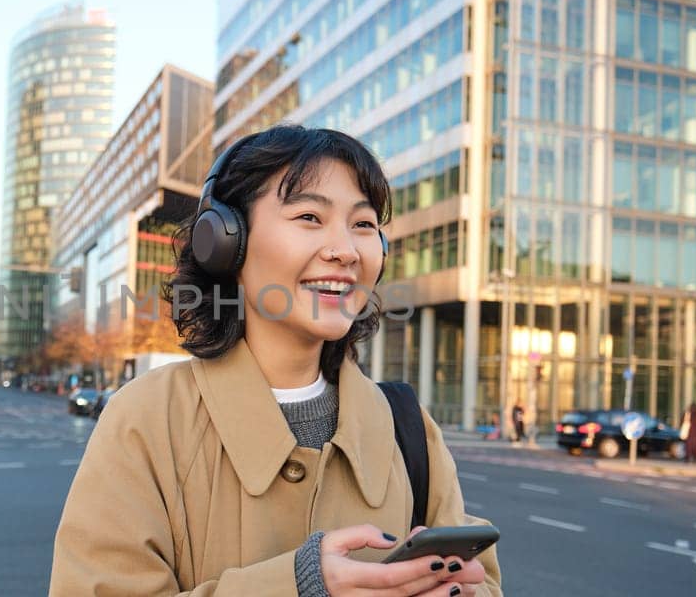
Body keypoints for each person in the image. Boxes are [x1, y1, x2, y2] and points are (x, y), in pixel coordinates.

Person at [50, 126, 501, 596]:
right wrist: (299, 587)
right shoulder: (146, 418)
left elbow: (485, 583)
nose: (345, 250)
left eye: (364, 225)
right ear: (226, 242)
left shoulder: (408, 428)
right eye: (309, 216)